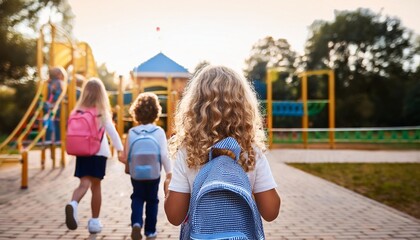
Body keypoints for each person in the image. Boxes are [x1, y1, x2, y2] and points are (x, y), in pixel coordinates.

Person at [164, 65, 281, 226]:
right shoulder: (250, 150)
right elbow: (271, 212)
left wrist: (167, 189)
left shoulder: (187, 151)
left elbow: (175, 217)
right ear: (243, 106)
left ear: (195, 106)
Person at [65, 78, 124, 234]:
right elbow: (112, 132)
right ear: (101, 94)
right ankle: (94, 222)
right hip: (98, 153)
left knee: (83, 184)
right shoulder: (100, 111)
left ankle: (73, 203)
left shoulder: (77, 111)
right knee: (96, 187)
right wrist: (120, 150)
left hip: (82, 153)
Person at [119, 92, 172, 240]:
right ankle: (150, 231)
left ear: (136, 112)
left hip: (136, 174)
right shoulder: (159, 132)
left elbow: (126, 155)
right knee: (152, 200)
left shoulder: (132, 132)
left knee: (137, 197)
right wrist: (169, 172)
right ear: (156, 112)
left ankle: (136, 223)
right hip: (154, 173)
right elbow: (164, 154)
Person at [45, 66, 67, 142]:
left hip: (49, 105)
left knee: (49, 123)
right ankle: (57, 139)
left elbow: (48, 95)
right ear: (59, 75)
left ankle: (49, 138)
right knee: (57, 123)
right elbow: (59, 95)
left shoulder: (48, 83)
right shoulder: (59, 83)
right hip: (57, 106)